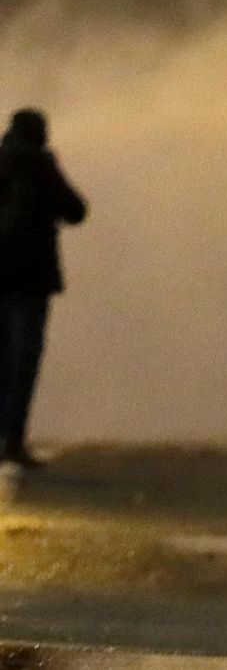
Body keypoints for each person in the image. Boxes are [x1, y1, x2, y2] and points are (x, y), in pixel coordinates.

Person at [0, 109, 86, 468]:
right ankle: (12, 441)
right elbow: (76, 210)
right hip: (32, 279)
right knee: (24, 360)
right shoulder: (41, 166)